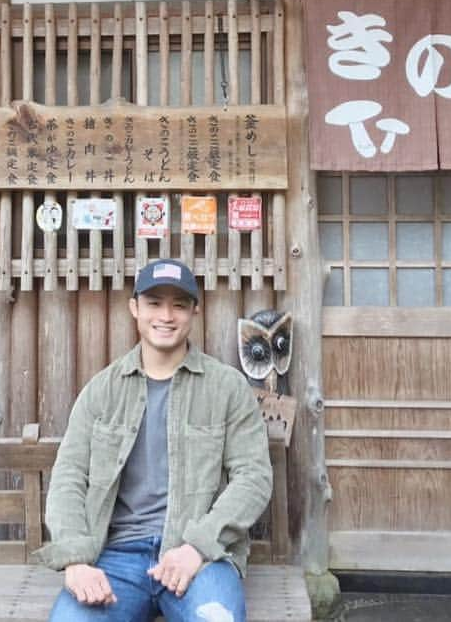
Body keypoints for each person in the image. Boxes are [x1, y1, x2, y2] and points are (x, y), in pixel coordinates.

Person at [35, 258, 273, 621]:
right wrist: (75, 560)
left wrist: (198, 546)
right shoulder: (102, 390)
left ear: (195, 311)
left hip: (198, 555)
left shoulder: (227, 388)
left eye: (179, 304)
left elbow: (253, 478)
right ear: (134, 308)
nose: (166, 315)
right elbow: (69, 479)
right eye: (154, 303)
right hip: (114, 557)